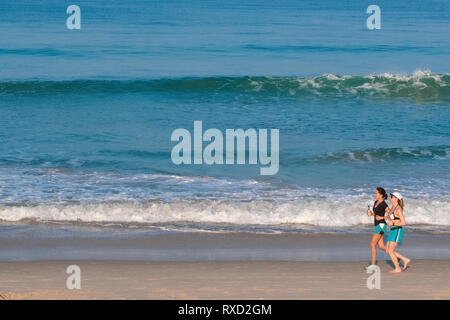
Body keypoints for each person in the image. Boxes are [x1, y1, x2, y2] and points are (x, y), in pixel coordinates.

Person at [385, 192, 411, 273]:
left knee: (390, 250)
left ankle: (397, 268)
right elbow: (393, 219)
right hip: (392, 230)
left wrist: (393, 223)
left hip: (397, 230)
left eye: (392, 197)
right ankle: (405, 259)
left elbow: (403, 222)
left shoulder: (398, 209)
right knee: (388, 250)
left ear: (396, 199)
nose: (390, 198)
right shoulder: (393, 207)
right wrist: (387, 219)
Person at [365, 187, 389, 269]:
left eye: (376, 193)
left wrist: (382, 218)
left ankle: (373, 265)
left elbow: (390, 214)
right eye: (375, 193)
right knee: (381, 246)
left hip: (381, 225)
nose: (375, 194)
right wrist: (370, 213)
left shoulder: (384, 204)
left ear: (381, 195)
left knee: (372, 244)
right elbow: (376, 214)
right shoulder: (376, 202)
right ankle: (397, 257)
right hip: (378, 225)